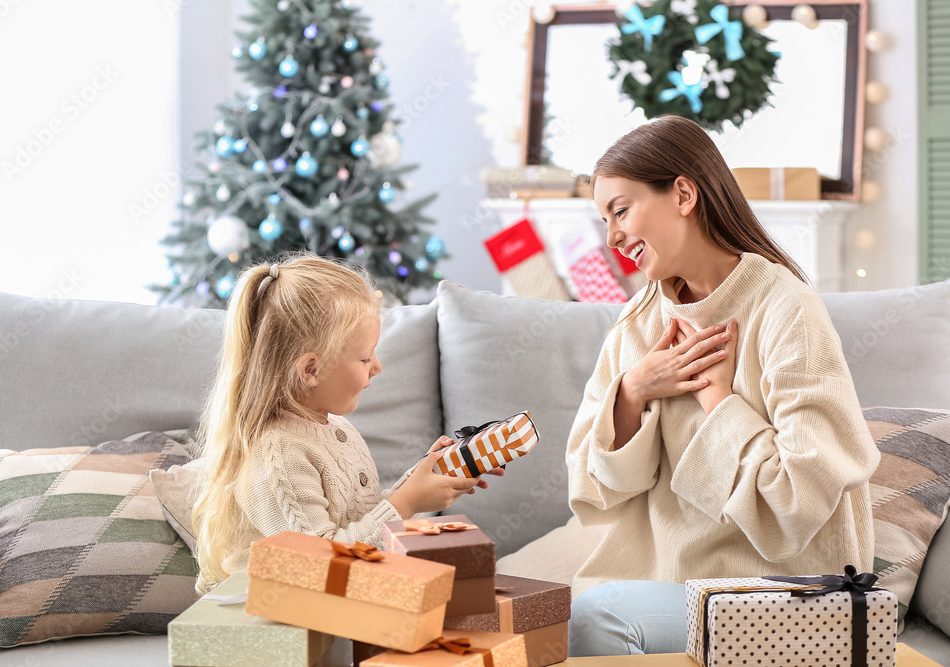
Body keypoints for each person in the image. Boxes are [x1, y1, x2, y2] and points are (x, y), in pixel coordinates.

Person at [566, 116, 879, 656]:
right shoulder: (638, 325)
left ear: (684, 193)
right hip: (674, 583)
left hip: (790, 589)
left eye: (620, 210)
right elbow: (591, 489)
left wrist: (720, 405)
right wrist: (634, 392)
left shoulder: (786, 309)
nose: (611, 236)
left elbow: (797, 503)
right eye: (604, 219)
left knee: (597, 616)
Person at [191, 254, 501, 595]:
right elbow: (322, 567)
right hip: (275, 626)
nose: (377, 367)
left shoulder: (335, 429)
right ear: (311, 370)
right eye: (365, 358)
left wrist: (420, 481)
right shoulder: (277, 457)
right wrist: (407, 503)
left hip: (330, 609)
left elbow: (354, 522)